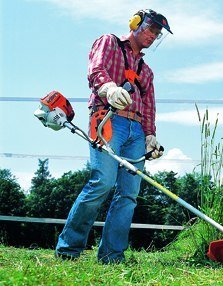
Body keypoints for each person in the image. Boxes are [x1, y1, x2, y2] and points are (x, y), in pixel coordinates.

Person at [55, 9, 172, 264]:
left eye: (157, 33)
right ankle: (68, 249)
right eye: (150, 29)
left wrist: (150, 136)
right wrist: (108, 88)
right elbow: (96, 68)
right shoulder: (109, 42)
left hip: (136, 131)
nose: (153, 36)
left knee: (129, 194)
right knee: (102, 182)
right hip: (107, 120)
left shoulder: (147, 71)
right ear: (135, 23)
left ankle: (111, 256)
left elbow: (149, 105)